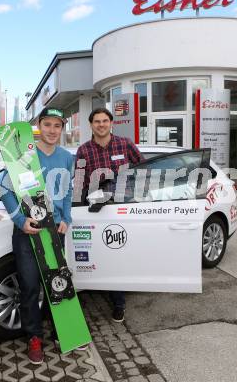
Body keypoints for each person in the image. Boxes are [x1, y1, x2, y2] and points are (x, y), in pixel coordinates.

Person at [0, 107, 74, 364]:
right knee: (30, 286)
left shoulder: (66, 157)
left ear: (62, 128)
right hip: (28, 232)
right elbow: (4, 190)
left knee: (55, 283)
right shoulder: (25, 156)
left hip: (55, 231)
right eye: (47, 125)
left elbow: (67, 191)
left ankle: (62, 330)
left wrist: (66, 218)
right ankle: (34, 337)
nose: (52, 130)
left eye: (57, 125)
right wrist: (20, 221)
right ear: (38, 126)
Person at [75, 107, 142, 323]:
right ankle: (97, 290)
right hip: (97, 212)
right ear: (91, 124)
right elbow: (79, 183)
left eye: (105, 121)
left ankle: (119, 302)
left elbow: (143, 171)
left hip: (124, 209)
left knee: (120, 255)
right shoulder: (84, 150)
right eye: (97, 121)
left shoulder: (125, 144)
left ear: (111, 123)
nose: (101, 124)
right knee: (102, 255)